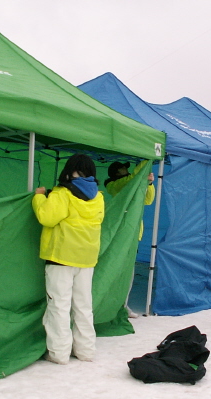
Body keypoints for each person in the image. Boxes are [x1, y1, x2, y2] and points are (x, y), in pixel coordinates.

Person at [32, 154, 104, 364]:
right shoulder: (98, 196)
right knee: (83, 306)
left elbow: (46, 217)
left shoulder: (62, 193)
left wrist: (39, 197)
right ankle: (86, 351)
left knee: (59, 306)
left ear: (69, 170)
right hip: (87, 258)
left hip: (61, 257)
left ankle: (59, 353)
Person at [103, 159, 155, 317]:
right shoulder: (114, 185)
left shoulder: (132, 183)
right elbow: (133, 178)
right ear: (115, 173)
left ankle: (123, 305)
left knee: (128, 273)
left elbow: (148, 200)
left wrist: (150, 184)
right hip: (120, 233)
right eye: (121, 169)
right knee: (114, 271)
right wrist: (147, 160)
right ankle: (108, 306)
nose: (125, 171)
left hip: (133, 233)